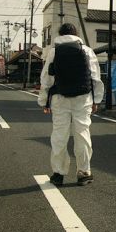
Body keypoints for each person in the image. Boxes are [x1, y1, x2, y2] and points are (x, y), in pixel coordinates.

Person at [38, 23, 104, 186]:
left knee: (59, 136)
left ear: (60, 35)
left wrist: (44, 101)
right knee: (82, 134)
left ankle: (58, 174)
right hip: (83, 99)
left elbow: (46, 79)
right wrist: (96, 100)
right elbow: (95, 78)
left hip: (60, 98)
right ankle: (84, 173)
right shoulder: (87, 51)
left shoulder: (54, 52)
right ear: (76, 34)